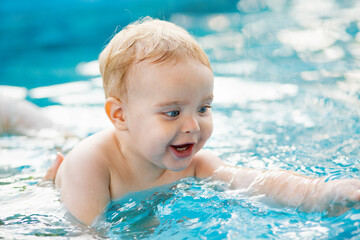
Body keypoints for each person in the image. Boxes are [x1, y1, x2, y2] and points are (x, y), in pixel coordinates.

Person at [45, 17, 360, 226]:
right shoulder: (92, 164)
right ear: (120, 115)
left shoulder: (197, 162)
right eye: (173, 112)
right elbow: (83, 232)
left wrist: (317, 194)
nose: (193, 126)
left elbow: (255, 183)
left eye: (203, 108)